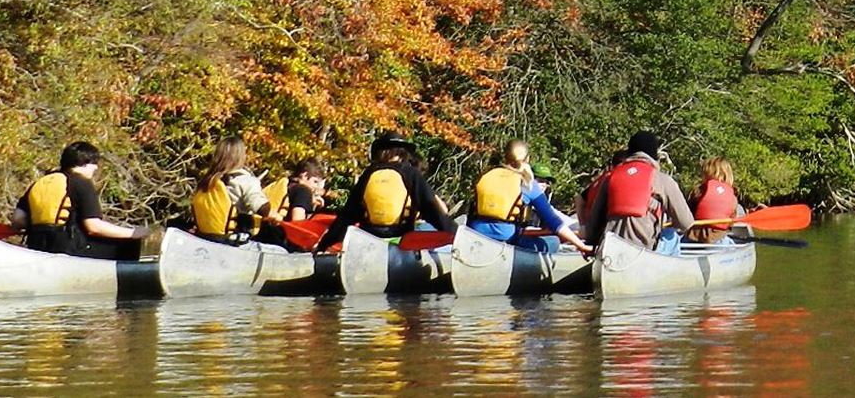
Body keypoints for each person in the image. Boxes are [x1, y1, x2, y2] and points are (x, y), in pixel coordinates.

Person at [312, 133, 458, 252]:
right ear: (403, 154)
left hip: (368, 240)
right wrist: (456, 235)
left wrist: (324, 245)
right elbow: (431, 209)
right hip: (402, 241)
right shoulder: (411, 173)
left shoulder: (368, 174)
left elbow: (347, 215)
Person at [10, 142, 149, 260]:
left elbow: (17, 220)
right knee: (130, 244)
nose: (96, 167)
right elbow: (93, 227)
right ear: (84, 163)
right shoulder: (81, 183)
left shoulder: (40, 182)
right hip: (70, 249)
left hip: (36, 247)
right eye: (94, 163)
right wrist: (134, 233)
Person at [577, 132, 696, 255]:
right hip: (644, 253)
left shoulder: (610, 178)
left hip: (610, 252)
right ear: (654, 155)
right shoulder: (663, 180)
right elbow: (686, 223)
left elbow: (592, 228)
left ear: (630, 152)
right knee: (672, 236)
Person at [467, 140, 593, 254]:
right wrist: (581, 245)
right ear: (527, 159)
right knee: (553, 241)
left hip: (476, 235)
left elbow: (472, 211)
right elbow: (554, 222)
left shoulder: (486, 176)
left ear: (505, 157)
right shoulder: (527, 183)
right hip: (507, 240)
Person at [188, 137, 276, 246]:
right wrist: (274, 215)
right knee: (282, 251)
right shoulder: (245, 181)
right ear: (241, 156)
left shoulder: (206, 182)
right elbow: (261, 208)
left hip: (205, 240)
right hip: (235, 243)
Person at [687, 158, 747, 244]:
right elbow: (731, 223)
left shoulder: (697, 192)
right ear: (728, 175)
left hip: (694, 237)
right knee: (730, 242)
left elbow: (687, 216)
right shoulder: (732, 197)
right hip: (719, 239)